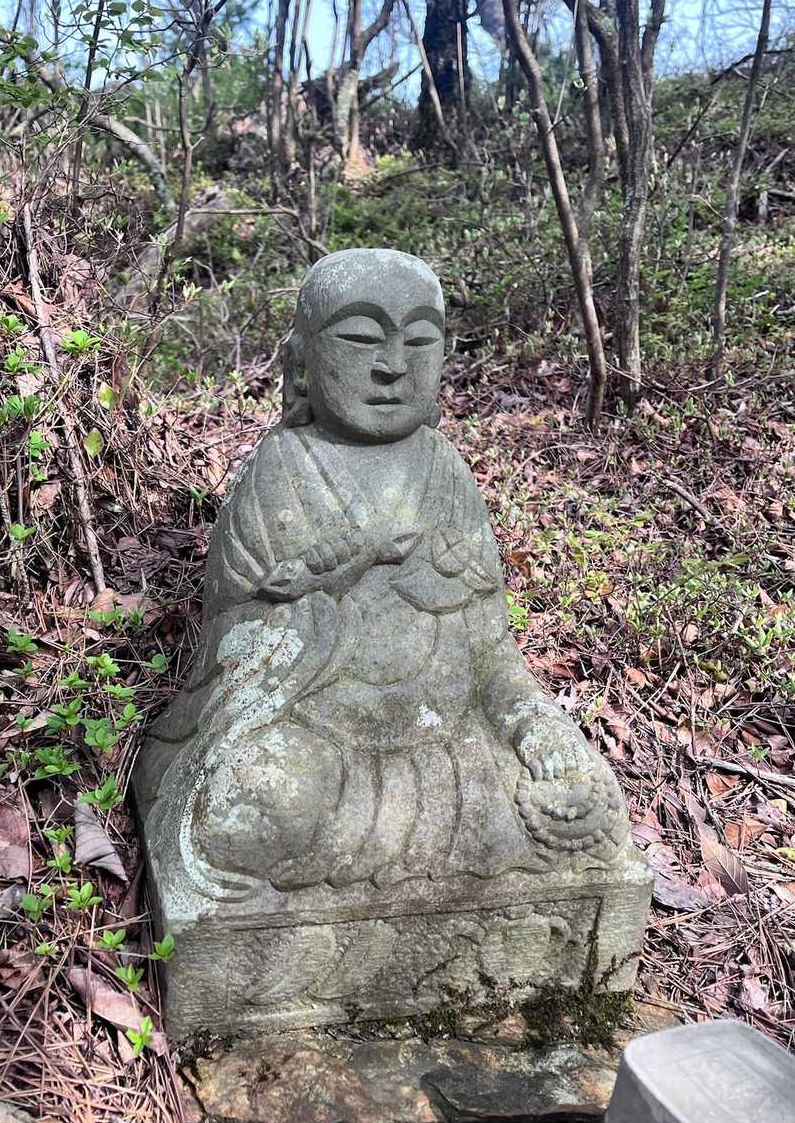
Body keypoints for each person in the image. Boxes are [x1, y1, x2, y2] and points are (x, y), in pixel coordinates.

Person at [134, 249, 628, 903]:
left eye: (419, 341)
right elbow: (240, 663)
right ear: (300, 363)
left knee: (585, 804)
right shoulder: (279, 474)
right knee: (257, 803)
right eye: (361, 337)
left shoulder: (447, 476)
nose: (392, 365)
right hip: (312, 746)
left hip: (451, 752)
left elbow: (492, 654)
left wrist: (537, 727)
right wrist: (331, 584)